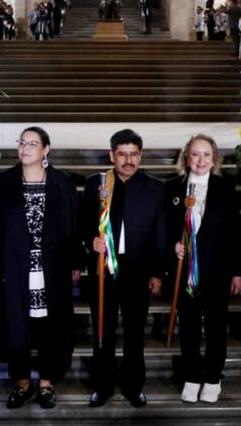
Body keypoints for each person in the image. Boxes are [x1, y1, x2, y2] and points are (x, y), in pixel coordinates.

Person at [0, 127, 81, 410]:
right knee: (17, 325)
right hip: (14, 269)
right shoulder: (2, 183)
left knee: (51, 327)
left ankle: (48, 384)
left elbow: (74, 226)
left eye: (32, 143)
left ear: (46, 150)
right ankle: (22, 383)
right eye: (22, 142)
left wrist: (76, 260)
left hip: (52, 267)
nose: (25, 148)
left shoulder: (62, 183)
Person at [82, 129, 166, 408]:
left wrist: (156, 272)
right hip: (103, 272)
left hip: (138, 273)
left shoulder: (155, 187)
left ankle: (134, 386)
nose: (128, 160)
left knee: (134, 334)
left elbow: (160, 233)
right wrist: (90, 241)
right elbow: (82, 225)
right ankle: (101, 387)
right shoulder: (96, 183)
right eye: (122, 154)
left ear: (140, 155)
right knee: (103, 332)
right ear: (111, 155)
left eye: (133, 154)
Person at [165, 135, 241, 403]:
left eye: (206, 154)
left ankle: (213, 376)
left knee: (216, 326)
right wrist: (172, 246)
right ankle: (191, 375)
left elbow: (235, 233)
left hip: (217, 271)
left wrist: (236, 271)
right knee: (188, 326)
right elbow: (163, 229)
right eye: (195, 154)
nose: (200, 160)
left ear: (214, 159)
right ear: (187, 157)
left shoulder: (226, 188)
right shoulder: (173, 188)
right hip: (185, 272)